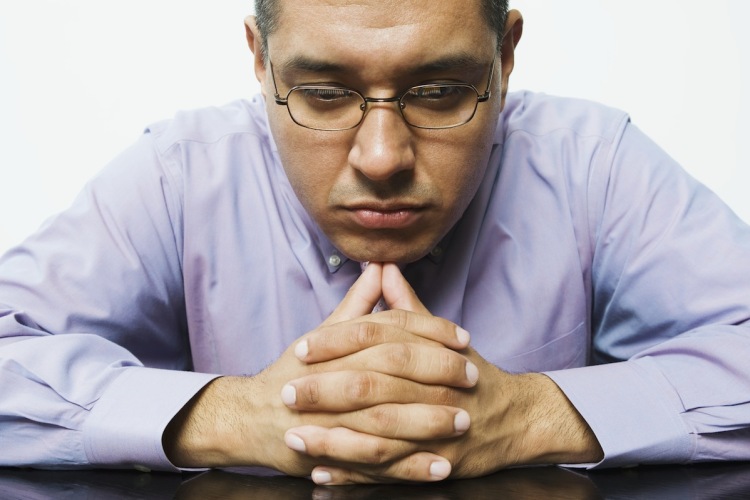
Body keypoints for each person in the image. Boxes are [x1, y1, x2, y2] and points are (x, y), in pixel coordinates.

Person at [0, 0, 749, 485]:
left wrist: (532, 412)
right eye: (324, 96)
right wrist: (234, 416)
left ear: (506, 55)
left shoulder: (592, 162)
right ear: (260, 61)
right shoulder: (181, 171)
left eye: (439, 92)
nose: (382, 157)